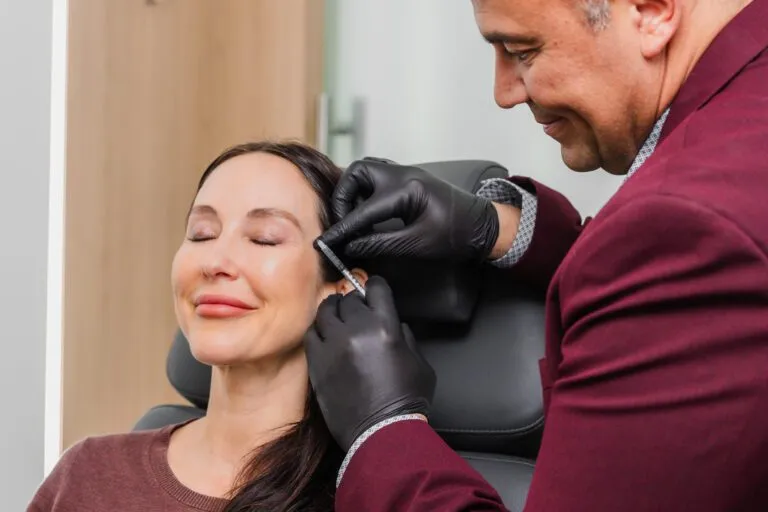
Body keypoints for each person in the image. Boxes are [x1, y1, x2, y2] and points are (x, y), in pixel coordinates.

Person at [303, 0, 768, 510]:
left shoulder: (691, 226)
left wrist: (380, 434)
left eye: (522, 51)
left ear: (650, 11)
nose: (504, 93)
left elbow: (683, 258)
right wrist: (497, 228)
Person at [28, 141, 370, 512]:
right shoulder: (89, 474)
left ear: (343, 289)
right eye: (202, 234)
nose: (215, 261)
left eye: (264, 238)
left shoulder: (372, 490)